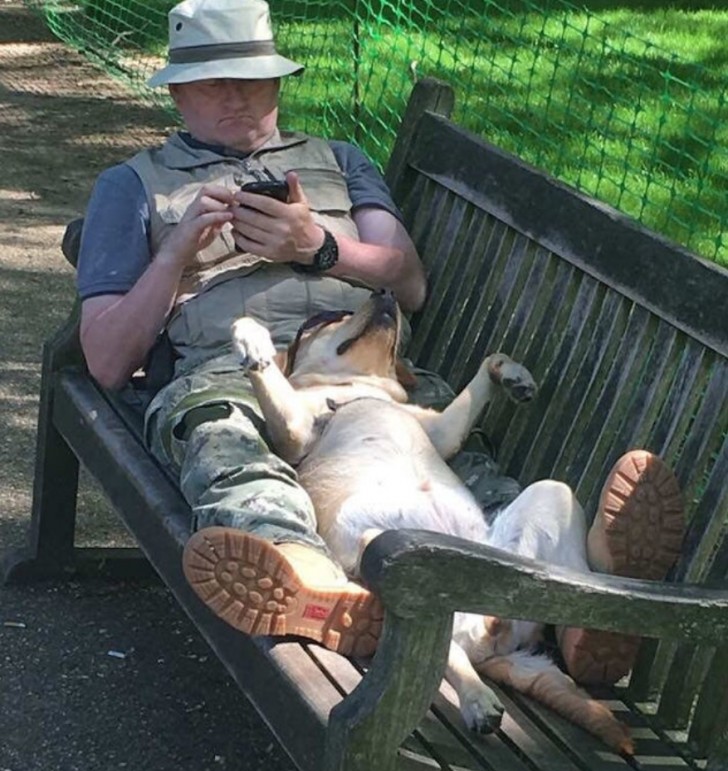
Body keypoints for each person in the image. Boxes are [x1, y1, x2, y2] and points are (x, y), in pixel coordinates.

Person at [77, 0, 684, 683]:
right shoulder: (131, 187)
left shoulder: (339, 160)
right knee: (233, 456)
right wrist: (176, 252)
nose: (236, 95)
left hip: (373, 376)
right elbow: (104, 358)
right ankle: (309, 579)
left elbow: (409, 282)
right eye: (215, 80)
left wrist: (319, 245)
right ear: (178, 92)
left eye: (251, 77)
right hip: (225, 375)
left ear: (278, 81)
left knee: (465, 480)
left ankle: (579, 610)